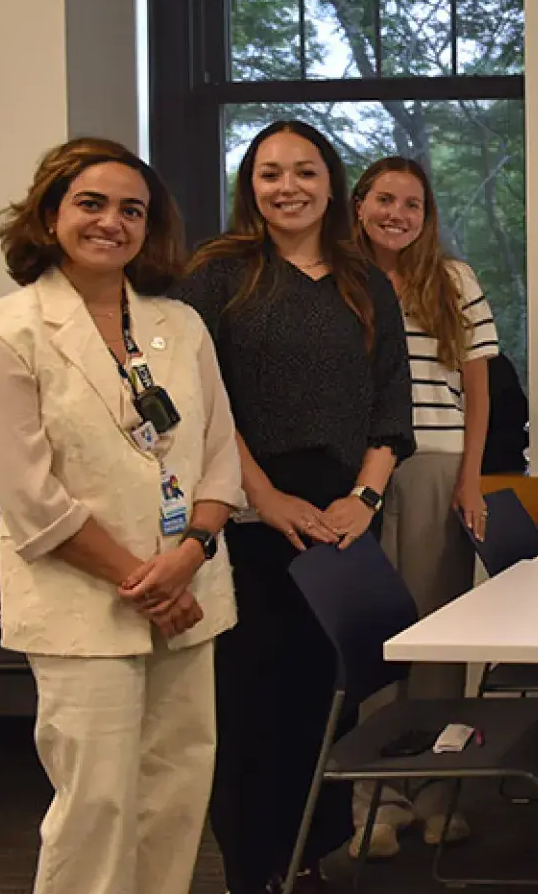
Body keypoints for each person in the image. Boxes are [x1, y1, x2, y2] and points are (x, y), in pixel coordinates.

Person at [0, 138, 240, 894]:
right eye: (91, 204)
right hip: (84, 604)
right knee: (97, 802)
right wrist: (148, 582)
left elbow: (219, 455)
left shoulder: (180, 325)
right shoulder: (8, 330)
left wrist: (189, 555)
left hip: (189, 590)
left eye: (132, 210)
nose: (111, 222)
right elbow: (30, 498)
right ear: (51, 214)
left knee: (176, 791)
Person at [178, 121, 414, 894]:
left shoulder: (363, 279)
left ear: (330, 183)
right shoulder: (218, 274)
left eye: (305, 171)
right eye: (271, 172)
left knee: (325, 701)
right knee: (252, 704)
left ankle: (310, 860)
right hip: (248, 520)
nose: (289, 187)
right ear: (250, 185)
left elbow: (392, 402)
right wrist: (264, 495)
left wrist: (365, 499)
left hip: (341, 522)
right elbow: (204, 403)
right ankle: (254, 872)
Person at [348, 155, 499, 855]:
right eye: (384, 199)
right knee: (374, 639)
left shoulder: (453, 280)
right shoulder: (337, 281)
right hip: (358, 476)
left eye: (412, 204)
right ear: (359, 205)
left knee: (437, 638)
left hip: (438, 467)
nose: (397, 215)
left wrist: (471, 478)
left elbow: (479, 392)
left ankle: (440, 791)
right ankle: (375, 803)